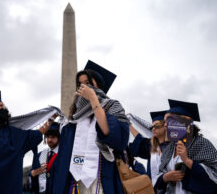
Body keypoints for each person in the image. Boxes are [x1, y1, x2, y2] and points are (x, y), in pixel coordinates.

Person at [49, 60, 130, 194]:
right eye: (79, 84)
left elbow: (113, 137)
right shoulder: (73, 116)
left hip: (101, 177)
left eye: (87, 83)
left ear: (97, 85)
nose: (83, 87)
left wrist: (93, 98)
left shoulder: (112, 106)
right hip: (74, 181)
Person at [155, 99, 217, 194]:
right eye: (164, 122)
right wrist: (165, 177)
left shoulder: (201, 143)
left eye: (168, 121)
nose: (165, 125)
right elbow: (159, 176)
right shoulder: (168, 149)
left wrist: (187, 160)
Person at [0, 91, 54, 194]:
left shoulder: (12, 133)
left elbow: (36, 135)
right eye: (0, 106)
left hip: (9, 187)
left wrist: (51, 119)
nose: (4, 109)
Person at [129, 110, 169, 184]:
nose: (153, 128)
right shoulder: (151, 146)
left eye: (157, 126)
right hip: (154, 188)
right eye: (152, 127)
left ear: (165, 126)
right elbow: (139, 139)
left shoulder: (174, 146)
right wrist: (128, 124)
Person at [30, 122, 60, 194]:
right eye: (48, 137)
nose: (49, 140)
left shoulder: (63, 155)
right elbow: (32, 173)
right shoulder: (40, 155)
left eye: (53, 137)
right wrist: (33, 173)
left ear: (59, 138)